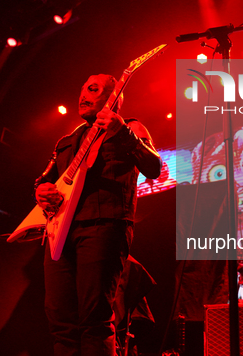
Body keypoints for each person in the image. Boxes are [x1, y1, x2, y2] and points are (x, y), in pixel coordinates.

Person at [34, 74, 161, 355]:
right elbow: (44, 179)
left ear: (113, 97)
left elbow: (155, 168)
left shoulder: (130, 127)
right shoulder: (68, 139)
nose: (83, 94)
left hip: (104, 227)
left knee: (95, 320)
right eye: (82, 88)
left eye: (92, 89)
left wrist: (123, 132)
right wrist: (42, 191)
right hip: (60, 233)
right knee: (60, 321)